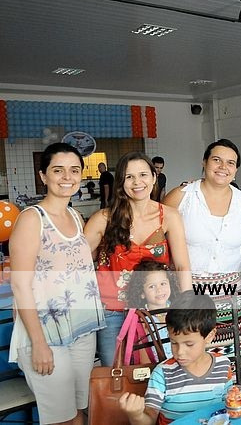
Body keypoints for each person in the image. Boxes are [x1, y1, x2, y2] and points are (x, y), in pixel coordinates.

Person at [9, 143, 106, 425]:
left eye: (74, 170)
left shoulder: (74, 216)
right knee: (62, 419)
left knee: (80, 411)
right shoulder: (32, 219)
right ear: (43, 175)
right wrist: (39, 343)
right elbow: (20, 286)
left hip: (81, 329)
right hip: (45, 334)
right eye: (58, 170)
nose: (67, 177)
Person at [85, 152, 192, 366]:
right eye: (129, 177)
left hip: (158, 309)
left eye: (143, 174)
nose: (137, 182)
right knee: (116, 372)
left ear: (154, 177)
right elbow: (75, 263)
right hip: (113, 311)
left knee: (160, 370)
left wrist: (187, 306)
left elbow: (182, 265)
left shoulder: (169, 216)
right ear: (121, 182)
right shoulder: (104, 219)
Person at [163, 139, 241, 361]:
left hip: (230, 296)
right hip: (188, 291)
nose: (223, 167)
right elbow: (160, 243)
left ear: (236, 169)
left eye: (230, 163)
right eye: (217, 160)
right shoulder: (181, 196)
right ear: (204, 162)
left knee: (228, 362)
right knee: (188, 356)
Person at [119, 291, 233, 425]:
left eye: (189, 344)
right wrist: (136, 415)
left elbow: (227, 408)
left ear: (210, 336)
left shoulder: (223, 365)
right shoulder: (162, 374)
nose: (180, 352)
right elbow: (149, 421)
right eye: (173, 343)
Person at [127, 260, 179, 359]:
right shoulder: (141, 319)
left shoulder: (179, 311)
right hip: (154, 365)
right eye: (152, 286)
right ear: (142, 293)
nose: (159, 290)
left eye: (163, 284)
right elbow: (142, 355)